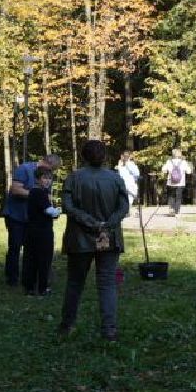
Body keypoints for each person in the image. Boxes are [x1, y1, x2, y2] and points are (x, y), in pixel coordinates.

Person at [59, 138, 130, 341]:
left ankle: (67, 326)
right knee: (107, 283)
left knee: (75, 282)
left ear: (84, 156)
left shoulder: (74, 178)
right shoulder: (115, 178)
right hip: (107, 236)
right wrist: (107, 224)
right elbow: (124, 207)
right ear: (104, 156)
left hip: (80, 238)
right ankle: (109, 329)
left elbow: (68, 207)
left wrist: (92, 222)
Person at [4, 153, 62, 286]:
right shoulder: (24, 169)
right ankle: (12, 278)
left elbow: (47, 196)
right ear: (47, 162)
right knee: (15, 246)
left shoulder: (47, 176)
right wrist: (36, 195)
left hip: (33, 219)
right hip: (16, 215)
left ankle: (30, 277)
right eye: (52, 169)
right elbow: (15, 189)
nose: (51, 173)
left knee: (31, 248)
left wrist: (50, 210)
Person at [23, 166, 59, 297]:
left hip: (32, 230)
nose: (47, 181)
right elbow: (49, 211)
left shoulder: (33, 192)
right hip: (42, 232)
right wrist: (58, 211)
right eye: (44, 178)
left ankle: (30, 288)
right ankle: (42, 288)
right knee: (44, 259)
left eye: (49, 178)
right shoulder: (40, 193)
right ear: (38, 179)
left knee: (31, 259)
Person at [160, 148, 191, 216]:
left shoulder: (169, 162)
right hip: (180, 182)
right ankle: (177, 211)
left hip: (171, 182)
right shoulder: (183, 162)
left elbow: (164, 170)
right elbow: (189, 172)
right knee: (178, 197)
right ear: (180, 154)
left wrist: (168, 171)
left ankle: (171, 210)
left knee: (171, 196)